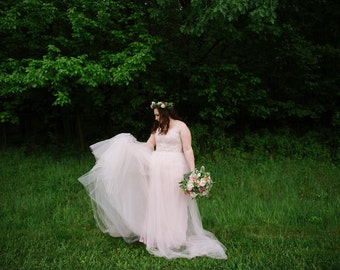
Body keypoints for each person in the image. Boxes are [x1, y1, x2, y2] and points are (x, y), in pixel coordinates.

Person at [78, 101, 227, 259]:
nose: (156, 118)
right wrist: (131, 148)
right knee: (158, 201)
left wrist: (193, 172)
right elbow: (149, 145)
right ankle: (159, 235)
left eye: (157, 115)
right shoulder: (157, 128)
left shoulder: (181, 127)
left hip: (175, 167)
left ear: (166, 113)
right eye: (154, 115)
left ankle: (175, 237)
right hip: (157, 168)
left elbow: (188, 149)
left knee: (174, 201)